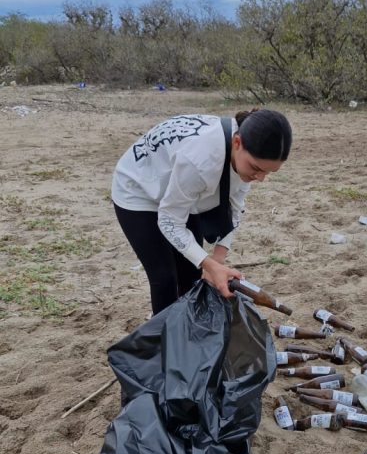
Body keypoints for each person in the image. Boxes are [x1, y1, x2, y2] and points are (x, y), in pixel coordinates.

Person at [111, 108, 292, 314]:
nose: (260, 178)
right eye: (256, 169)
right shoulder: (200, 161)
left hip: (182, 188)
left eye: (269, 172)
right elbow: (169, 221)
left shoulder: (246, 156)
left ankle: (190, 331)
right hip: (138, 188)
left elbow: (235, 207)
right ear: (237, 143)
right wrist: (210, 265)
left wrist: (217, 259)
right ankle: (167, 340)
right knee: (165, 277)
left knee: (192, 273)